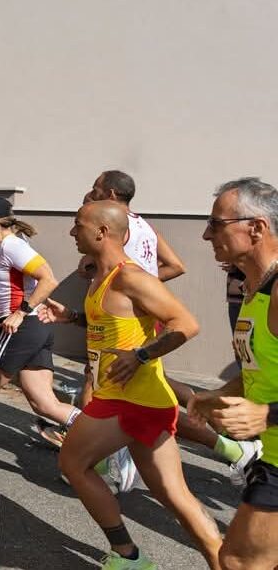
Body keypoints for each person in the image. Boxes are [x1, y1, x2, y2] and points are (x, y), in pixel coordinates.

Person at [49, 170, 262, 487]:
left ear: (109, 195)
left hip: (129, 320)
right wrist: (145, 291)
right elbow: (176, 265)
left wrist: (132, 290)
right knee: (148, 392)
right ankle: (227, 446)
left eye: (95, 190)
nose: (90, 195)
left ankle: (102, 460)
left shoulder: (113, 229)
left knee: (115, 388)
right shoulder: (144, 225)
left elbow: (91, 269)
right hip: (138, 315)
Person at [46, 201, 221, 569]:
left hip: (131, 400)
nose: (71, 232)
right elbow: (113, 326)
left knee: (73, 463)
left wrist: (141, 355)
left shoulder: (131, 277)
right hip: (134, 399)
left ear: (101, 231)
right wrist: (73, 317)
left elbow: (186, 323)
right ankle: (224, 561)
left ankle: (128, 557)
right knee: (175, 495)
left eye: (77, 225)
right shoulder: (101, 278)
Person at [0, 196, 81, 483]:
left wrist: (20, 313)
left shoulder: (12, 246)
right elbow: (22, 284)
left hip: (19, 329)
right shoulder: (10, 247)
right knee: (45, 403)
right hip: (34, 330)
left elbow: (48, 279)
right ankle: (109, 445)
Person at [190, 177, 278, 570]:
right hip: (272, 453)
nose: (207, 234)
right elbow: (261, 365)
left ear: (256, 228)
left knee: (237, 561)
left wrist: (267, 414)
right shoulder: (253, 288)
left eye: (216, 223)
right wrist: (223, 392)